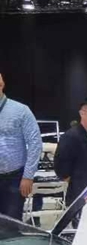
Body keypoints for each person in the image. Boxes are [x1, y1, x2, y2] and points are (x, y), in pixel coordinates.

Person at [54, 98, 87, 222]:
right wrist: (77, 181)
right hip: (79, 196)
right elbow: (60, 168)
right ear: (82, 113)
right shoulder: (70, 136)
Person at [0, 72, 42, 220]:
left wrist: (28, 176)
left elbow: (35, 142)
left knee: (12, 225)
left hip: (15, 178)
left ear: (2, 84)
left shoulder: (21, 110)